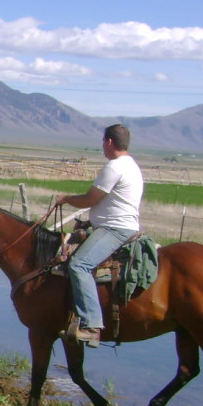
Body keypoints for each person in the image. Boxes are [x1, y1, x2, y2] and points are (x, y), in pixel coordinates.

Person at [54, 124, 144, 347]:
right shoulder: (132, 165)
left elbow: (88, 200)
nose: (102, 146)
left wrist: (66, 198)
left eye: (103, 142)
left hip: (115, 229)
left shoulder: (114, 167)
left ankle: (92, 324)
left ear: (110, 142)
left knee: (78, 265)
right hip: (118, 225)